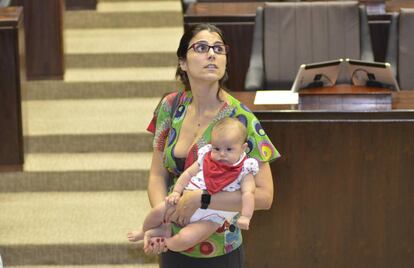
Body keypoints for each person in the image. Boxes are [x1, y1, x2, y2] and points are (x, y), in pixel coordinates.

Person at [138, 23, 280, 267]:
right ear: (183, 62)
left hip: (220, 248)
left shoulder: (241, 118)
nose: (212, 54)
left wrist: (202, 199)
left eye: (218, 49)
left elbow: (265, 196)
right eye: (201, 47)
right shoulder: (169, 107)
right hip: (173, 237)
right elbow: (157, 175)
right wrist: (163, 218)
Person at [127, 118, 258, 251]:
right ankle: (144, 231)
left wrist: (246, 216)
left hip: (212, 216)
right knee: (157, 212)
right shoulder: (205, 158)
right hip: (183, 201)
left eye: (229, 149)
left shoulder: (244, 168)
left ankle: (166, 242)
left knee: (187, 237)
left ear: (243, 148)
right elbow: (188, 174)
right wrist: (177, 192)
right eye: (217, 148)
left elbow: (248, 193)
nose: (222, 154)